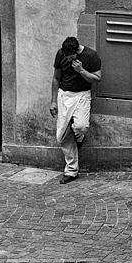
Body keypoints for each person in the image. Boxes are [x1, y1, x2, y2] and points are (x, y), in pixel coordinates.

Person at [49, 36, 102, 184]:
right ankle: (71, 171)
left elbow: (97, 78)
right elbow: (56, 78)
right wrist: (53, 101)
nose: (68, 59)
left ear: (77, 51)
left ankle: (78, 138)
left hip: (82, 95)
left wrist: (81, 70)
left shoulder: (91, 56)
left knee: (81, 127)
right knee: (61, 136)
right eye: (66, 56)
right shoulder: (61, 53)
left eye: (71, 57)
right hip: (65, 95)